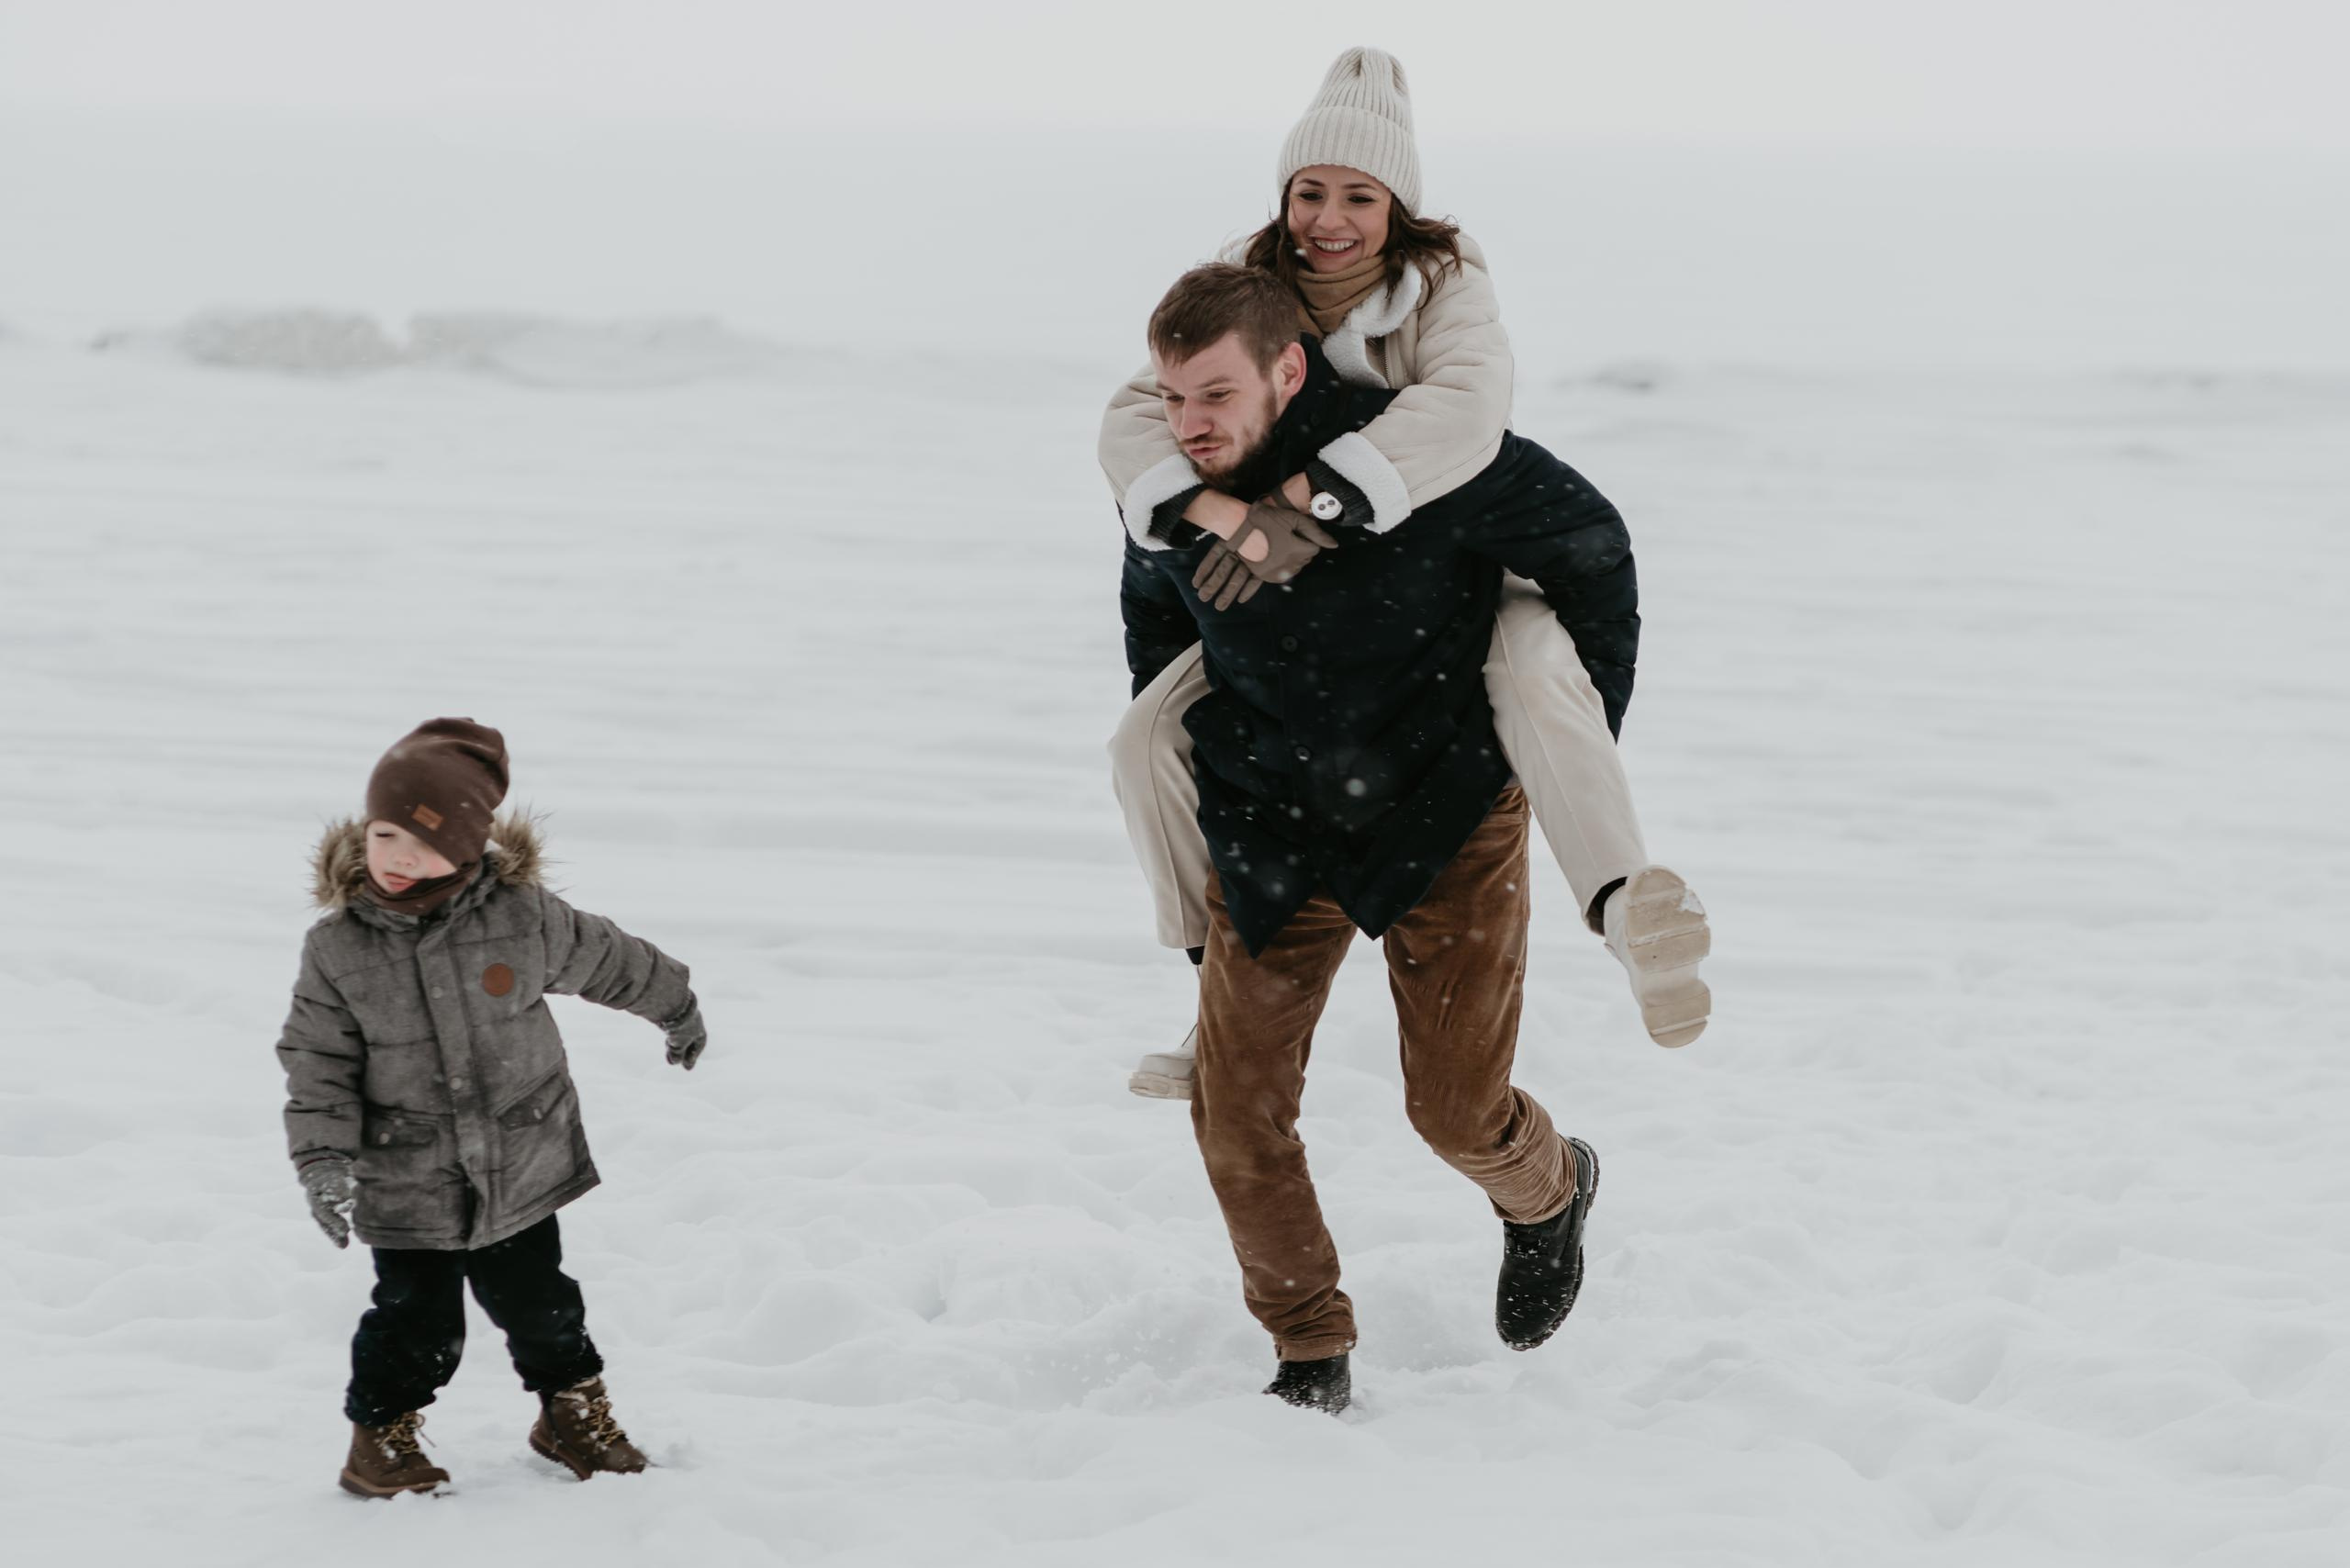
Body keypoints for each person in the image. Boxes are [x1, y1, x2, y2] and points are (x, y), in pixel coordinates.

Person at [1102, 48, 1709, 1102]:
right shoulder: (1249, 279)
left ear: (1399, 208)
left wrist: (1303, 504)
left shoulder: (1446, 283)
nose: (1326, 219)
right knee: (1144, 736)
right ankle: (1212, 993)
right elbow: (1131, 412)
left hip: (1457, 567)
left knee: (1532, 679)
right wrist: (1223, 513)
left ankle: (1623, 906)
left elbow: (1467, 413)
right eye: (1308, 192)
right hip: (1298, 610)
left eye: (1357, 195)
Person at [1119, 263, 1633, 1412]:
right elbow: (1156, 621)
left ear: (1287, 370)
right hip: (1269, 827)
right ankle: (1309, 1352)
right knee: (1235, 1110)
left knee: (1452, 1109)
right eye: (1170, 398)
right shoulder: (1165, 496)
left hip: (1442, 810)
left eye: (1213, 395)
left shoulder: (1412, 457)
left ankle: (1549, 1188)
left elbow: (1593, 546)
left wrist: (1572, 724)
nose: (1190, 425)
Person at [274, 718, 709, 1495]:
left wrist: (675, 1005)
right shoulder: (338, 949)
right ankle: (379, 1439)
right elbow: (318, 1064)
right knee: (414, 1321)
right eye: (384, 835)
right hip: (407, 1175)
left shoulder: (521, 919)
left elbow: (613, 960)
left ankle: (570, 1412)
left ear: (471, 847)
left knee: (544, 1305)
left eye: (426, 843)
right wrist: (323, 1161)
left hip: (521, 1161)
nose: (400, 857)